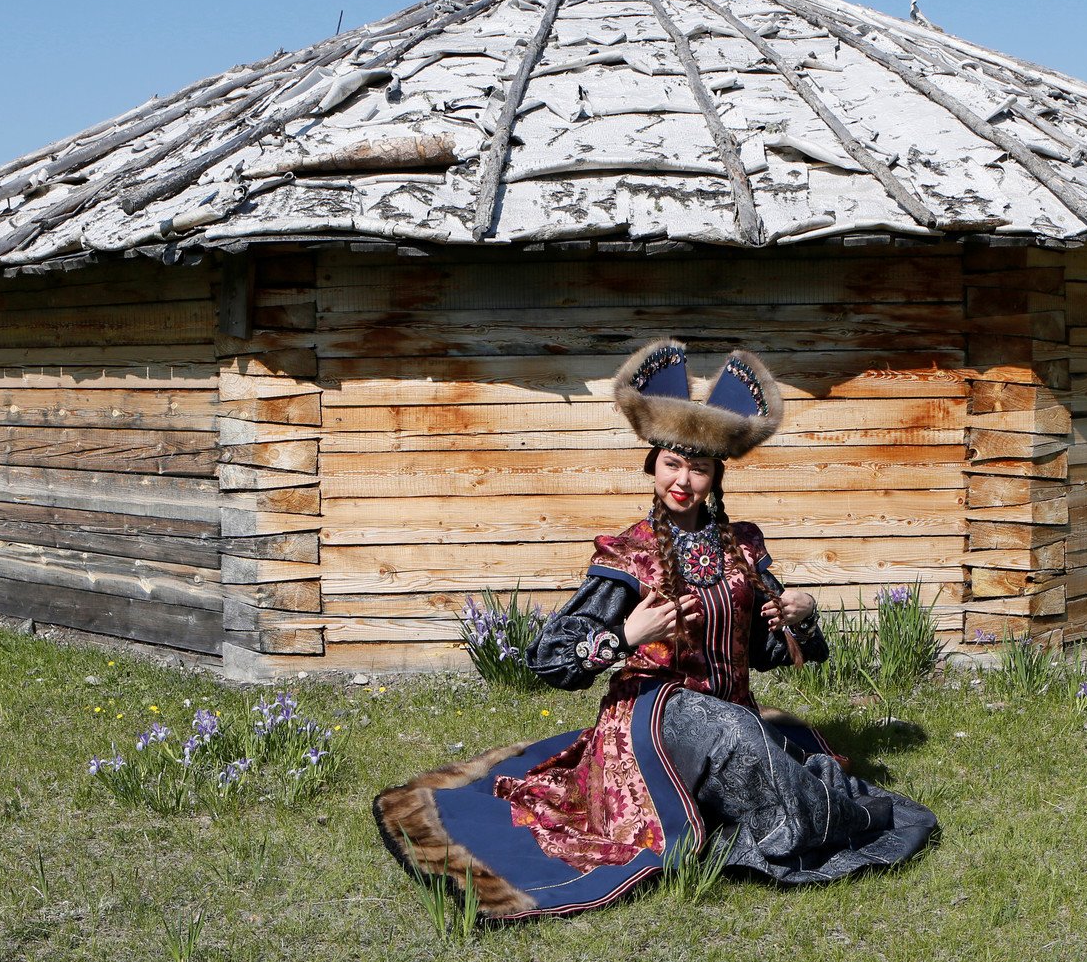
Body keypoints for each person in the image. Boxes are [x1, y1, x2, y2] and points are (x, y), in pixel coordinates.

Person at [374, 339, 937, 920]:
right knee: (745, 749)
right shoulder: (629, 555)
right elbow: (547, 659)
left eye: (697, 467)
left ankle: (803, 811)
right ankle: (797, 826)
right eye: (672, 463)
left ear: (715, 475)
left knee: (755, 746)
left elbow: (769, 653)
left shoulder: (742, 547)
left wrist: (800, 617)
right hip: (653, 712)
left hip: (732, 710)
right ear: (651, 467)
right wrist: (626, 636)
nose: (683, 480)